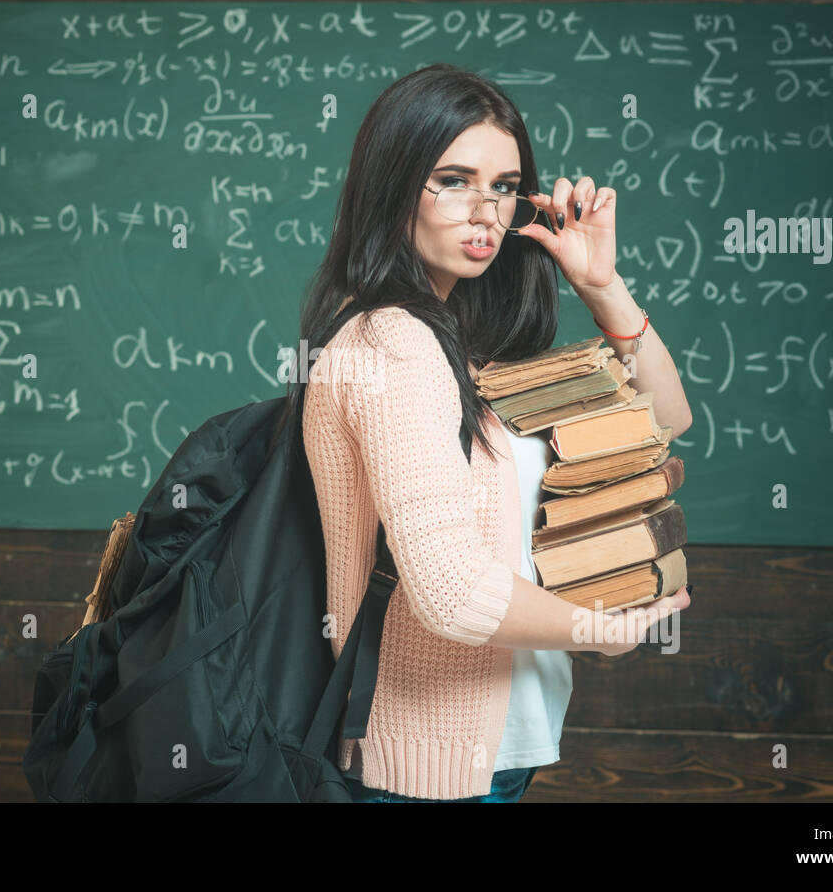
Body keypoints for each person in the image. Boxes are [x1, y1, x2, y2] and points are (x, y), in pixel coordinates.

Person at [281, 64, 693, 802]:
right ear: (394, 183)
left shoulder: (462, 345)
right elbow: (448, 590)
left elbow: (662, 421)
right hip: (420, 770)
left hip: (486, 750)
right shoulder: (392, 344)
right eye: (453, 179)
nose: (486, 211)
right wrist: (599, 628)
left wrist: (600, 282)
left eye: (505, 186)